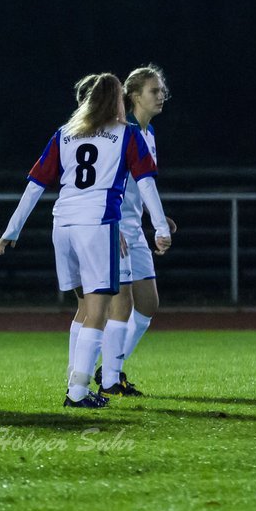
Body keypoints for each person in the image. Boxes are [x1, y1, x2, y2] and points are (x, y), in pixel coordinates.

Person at [0, 72, 171, 408]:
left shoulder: (65, 134)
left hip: (62, 225)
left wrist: (12, 229)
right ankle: (78, 391)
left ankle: (75, 381)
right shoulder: (127, 135)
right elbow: (146, 184)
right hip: (98, 224)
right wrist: (161, 228)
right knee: (98, 310)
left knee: (82, 309)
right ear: (116, 100)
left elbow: (35, 184)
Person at [98, 65, 175, 395]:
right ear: (133, 96)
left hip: (133, 228)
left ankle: (109, 370)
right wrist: (111, 227)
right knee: (118, 306)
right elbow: (104, 186)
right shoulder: (121, 133)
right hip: (116, 229)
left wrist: (158, 219)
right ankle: (106, 377)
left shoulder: (149, 134)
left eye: (161, 91)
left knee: (148, 304)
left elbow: (140, 187)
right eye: (153, 91)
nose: (160, 96)